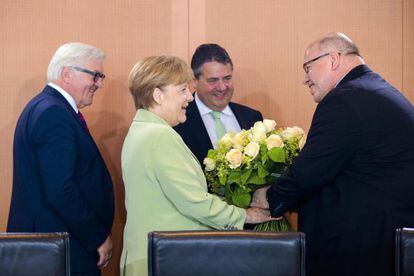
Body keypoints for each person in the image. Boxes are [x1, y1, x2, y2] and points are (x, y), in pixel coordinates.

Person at [252, 32, 414, 276]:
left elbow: (309, 171)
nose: (304, 79)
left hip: (363, 248)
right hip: (386, 239)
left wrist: (269, 198)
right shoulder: (375, 90)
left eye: (308, 68)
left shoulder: (345, 100)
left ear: (334, 59)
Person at [120, 55, 274, 276]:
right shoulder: (159, 136)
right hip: (165, 259)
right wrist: (246, 216)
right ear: (157, 95)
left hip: (154, 255)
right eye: (182, 90)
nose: (190, 98)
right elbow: (194, 202)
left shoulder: (142, 129)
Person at [7, 42, 115, 276]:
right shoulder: (53, 113)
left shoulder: (46, 107)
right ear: (66, 73)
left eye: (101, 76)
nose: (99, 83)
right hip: (59, 252)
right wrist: (97, 237)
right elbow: (60, 189)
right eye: (95, 75)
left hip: (56, 247)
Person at [174, 43, 263, 166]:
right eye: (213, 80)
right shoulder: (177, 121)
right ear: (194, 81)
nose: (221, 87)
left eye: (227, 78)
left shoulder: (252, 118)